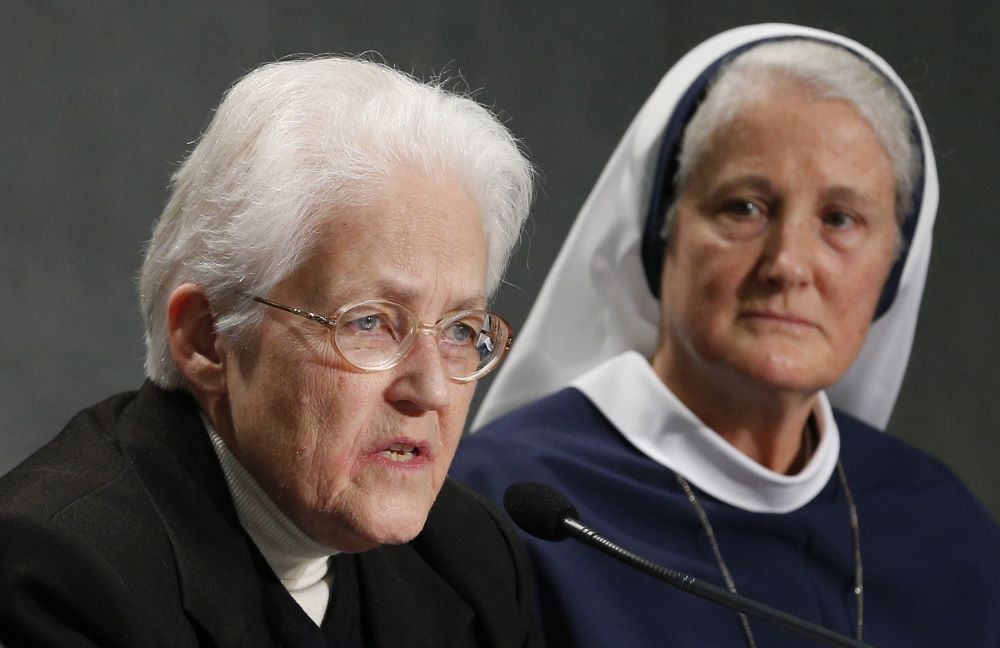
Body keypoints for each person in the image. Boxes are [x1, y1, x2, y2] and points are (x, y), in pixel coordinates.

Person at [453, 23, 1000, 647]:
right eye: (745, 207)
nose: (788, 264)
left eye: (841, 220)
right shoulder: (510, 503)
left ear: (894, 269)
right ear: (662, 233)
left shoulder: (943, 527)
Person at [0, 56, 542, 648]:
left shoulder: (471, 556)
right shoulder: (53, 577)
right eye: (371, 323)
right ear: (208, 339)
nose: (432, 390)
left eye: (461, 330)